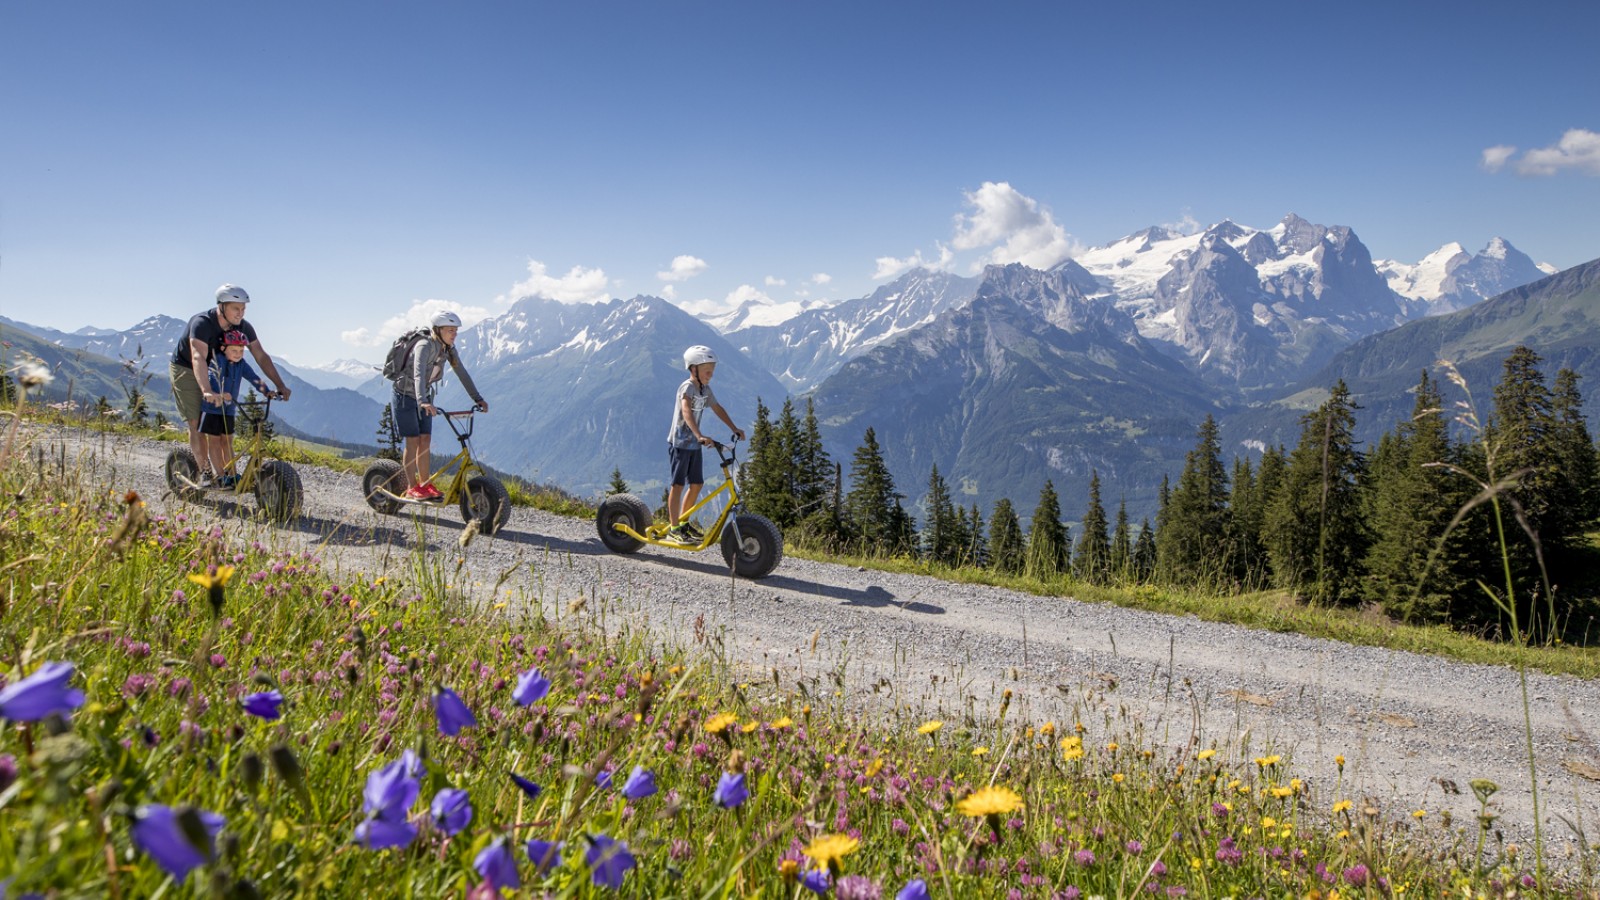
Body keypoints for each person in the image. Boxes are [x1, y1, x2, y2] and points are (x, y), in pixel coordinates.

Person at [169, 284, 292, 480]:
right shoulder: (202, 323)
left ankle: (228, 475)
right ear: (221, 306)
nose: (241, 313)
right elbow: (198, 358)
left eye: (243, 308)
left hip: (219, 371)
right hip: (187, 368)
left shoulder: (242, 327)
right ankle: (207, 473)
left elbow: (260, 355)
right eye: (236, 308)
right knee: (196, 422)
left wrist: (279, 385)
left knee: (224, 434)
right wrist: (207, 391)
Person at [391, 310, 488, 500]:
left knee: (425, 439)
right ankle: (412, 487)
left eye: (456, 331)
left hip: (424, 398)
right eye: (450, 330)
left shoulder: (448, 350)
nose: (455, 334)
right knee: (412, 440)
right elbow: (418, 373)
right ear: (438, 330)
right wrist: (422, 401)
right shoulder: (424, 345)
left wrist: (477, 398)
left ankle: (425, 485)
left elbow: (462, 373)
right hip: (405, 395)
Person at [666, 345, 744, 542]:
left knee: (697, 484)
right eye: (707, 370)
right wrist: (699, 434)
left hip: (694, 445)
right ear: (693, 369)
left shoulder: (705, 390)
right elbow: (686, 412)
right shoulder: (688, 387)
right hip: (680, 444)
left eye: (712, 370)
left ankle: (683, 524)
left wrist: (734, 428)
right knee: (677, 485)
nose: (711, 374)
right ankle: (673, 528)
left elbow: (717, 408)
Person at [199, 330, 279, 487]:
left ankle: (233, 475)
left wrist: (267, 391)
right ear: (223, 348)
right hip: (212, 408)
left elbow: (254, 378)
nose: (238, 354)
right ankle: (221, 476)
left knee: (227, 441)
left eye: (241, 351)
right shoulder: (217, 360)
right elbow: (211, 377)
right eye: (234, 350)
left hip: (229, 409)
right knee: (214, 442)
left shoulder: (241, 364)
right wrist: (220, 393)